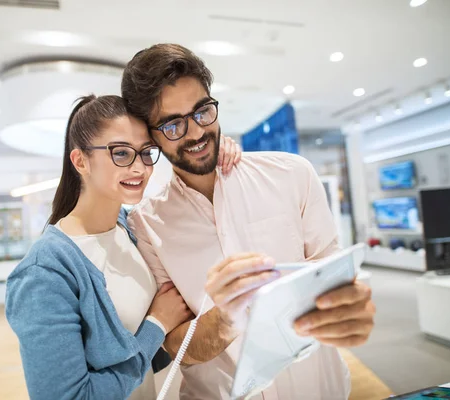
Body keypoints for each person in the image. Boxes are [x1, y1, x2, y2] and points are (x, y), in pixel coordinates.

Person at [122, 44, 376, 399]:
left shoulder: (292, 175)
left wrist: (350, 308)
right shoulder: (147, 224)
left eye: (202, 111)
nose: (195, 133)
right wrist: (225, 318)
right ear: (151, 136)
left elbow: (334, 278)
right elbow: (177, 344)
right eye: (173, 124)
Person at [5, 94, 241, 400]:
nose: (139, 168)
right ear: (80, 161)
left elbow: (155, 355)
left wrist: (215, 156)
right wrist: (156, 324)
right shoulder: (44, 273)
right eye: (121, 153)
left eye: (146, 153)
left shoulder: (130, 227)